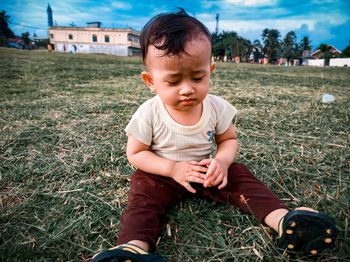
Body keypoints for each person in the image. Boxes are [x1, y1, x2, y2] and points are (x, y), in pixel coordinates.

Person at [92, 9, 337, 262]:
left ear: (210, 70)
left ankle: (283, 221)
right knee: (142, 194)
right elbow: (136, 153)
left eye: (198, 77)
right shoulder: (148, 113)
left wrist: (221, 162)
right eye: (173, 82)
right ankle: (134, 248)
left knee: (240, 174)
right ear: (150, 81)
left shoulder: (217, 107)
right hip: (162, 175)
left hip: (207, 173)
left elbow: (228, 140)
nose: (187, 89)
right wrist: (173, 169)